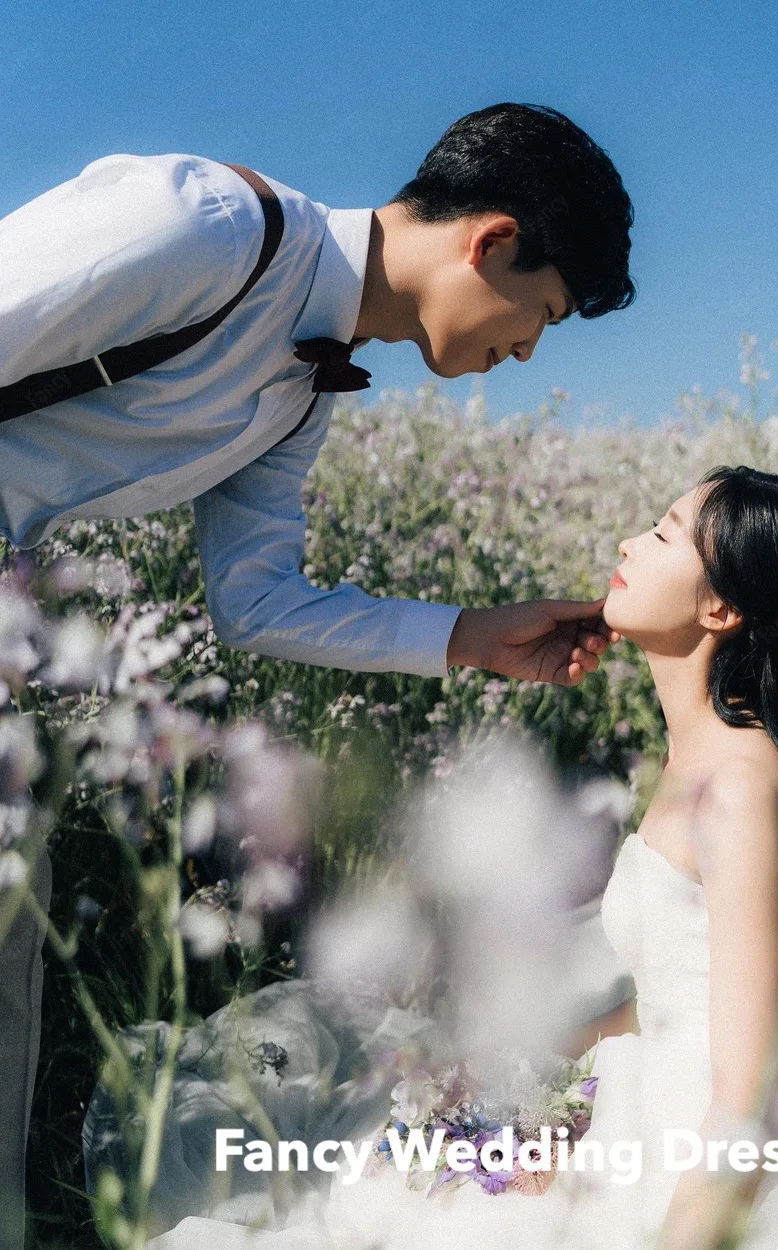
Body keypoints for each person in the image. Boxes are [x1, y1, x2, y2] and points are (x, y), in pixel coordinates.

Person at [0, 102, 634, 1250]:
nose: (528, 352)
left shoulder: (302, 392)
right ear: (490, 242)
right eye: (539, 316)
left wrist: (468, 632)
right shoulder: (195, 224)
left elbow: (252, 600)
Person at [141, 465, 778, 1250]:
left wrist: (691, 1230)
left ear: (720, 609)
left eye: (664, 534)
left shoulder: (738, 785)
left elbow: (750, 1072)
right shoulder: (698, 757)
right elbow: (686, 989)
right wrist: (551, 1045)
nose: (629, 543)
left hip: (704, 1141)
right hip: (645, 1091)